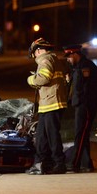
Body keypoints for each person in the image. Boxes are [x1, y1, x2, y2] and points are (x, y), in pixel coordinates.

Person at [26, 38, 69, 175]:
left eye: (34, 54)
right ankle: (41, 164)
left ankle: (58, 163)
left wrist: (31, 79)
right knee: (41, 136)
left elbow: (43, 79)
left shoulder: (45, 60)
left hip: (52, 103)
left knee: (52, 136)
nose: (34, 57)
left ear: (38, 51)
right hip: (49, 103)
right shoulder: (54, 59)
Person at [63, 44, 97, 173]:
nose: (68, 59)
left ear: (75, 54)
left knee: (80, 134)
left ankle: (74, 163)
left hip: (86, 105)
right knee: (83, 135)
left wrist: (83, 103)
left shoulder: (85, 67)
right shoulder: (78, 67)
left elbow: (87, 88)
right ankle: (87, 164)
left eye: (69, 56)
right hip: (81, 105)